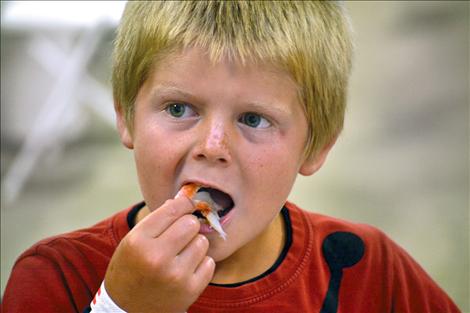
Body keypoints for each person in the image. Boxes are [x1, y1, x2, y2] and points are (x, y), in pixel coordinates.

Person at [2, 2, 461, 313]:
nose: (213, 146)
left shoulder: (366, 271)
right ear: (126, 118)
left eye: (254, 119)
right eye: (179, 109)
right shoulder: (58, 276)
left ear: (316, 145)